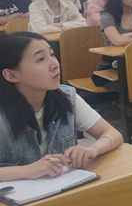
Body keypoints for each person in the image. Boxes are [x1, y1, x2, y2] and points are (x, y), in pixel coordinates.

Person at [0, 32, 123, 180]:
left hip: (65, 189)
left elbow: (113, 134)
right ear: (11, 75)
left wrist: (92, 150)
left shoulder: (66, 96)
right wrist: (27, 171)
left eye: (52, 55)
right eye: (40, 59)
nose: (55, 64)